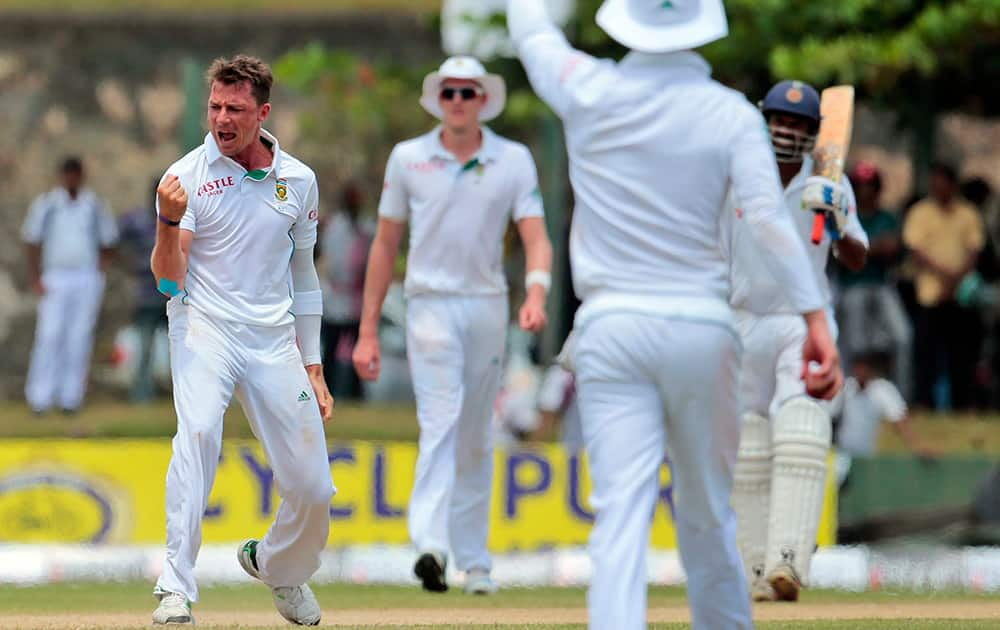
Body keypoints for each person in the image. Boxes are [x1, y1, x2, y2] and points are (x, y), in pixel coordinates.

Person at [508, 2, 843, 629]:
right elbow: (770, 222)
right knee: (709, 511)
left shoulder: (587, 86)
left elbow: (528, 23)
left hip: (612, 323)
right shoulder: (732, 114)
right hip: (702, 325)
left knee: (621, 515)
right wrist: (816, 318)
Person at [352, 55, 553, 596]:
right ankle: (431, 545)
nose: (459, 101)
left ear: (483, 99)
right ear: (437, 99)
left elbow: (535, 235)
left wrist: (536, 293)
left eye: (468, 92)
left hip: (486, 304)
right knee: (440, 415)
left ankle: (476, 560)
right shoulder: (409, 158)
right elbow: (386, 244)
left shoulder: (512, 159)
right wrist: (368, 330)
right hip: (429, 302)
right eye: (449, 92)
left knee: (475, 432)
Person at [149, 55, 335, 626]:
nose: (221, 120)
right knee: (199, 430)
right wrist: (166, 220)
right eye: (214, 107)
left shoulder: (299, 180)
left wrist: (315, 365)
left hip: (273, 336)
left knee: (314, 487)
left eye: (234, 109)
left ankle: (278, 566)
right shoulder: (188, 178)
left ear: (263, 113)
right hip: (203, 323)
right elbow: (166, 280)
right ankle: (175, 586)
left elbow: (303, 276)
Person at [724, 80, 869, 604]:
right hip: (738, 316)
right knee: (746, 442)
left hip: (801, 321)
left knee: (803, 427)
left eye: (798, 125)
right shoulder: (736, 175)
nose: (786, 131)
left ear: (813, 133)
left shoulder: (832, 182)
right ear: (764, 122)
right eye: (779, 121)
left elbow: (857, 257)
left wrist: (836, 220)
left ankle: (789, 559)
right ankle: (756, 568)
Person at [21, 156, 118, 415]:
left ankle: (70, 398)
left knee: (79, 338)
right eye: (68, 174)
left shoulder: (94, 205)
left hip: (85, 277)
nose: (72, 179)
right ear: (62, 176)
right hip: (55, 276)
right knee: (50, 335)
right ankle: (39, 398)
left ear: (82, 176)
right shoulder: (48, 205)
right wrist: (35, 277)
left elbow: (109, 242)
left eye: (76, 174)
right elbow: (32, 241)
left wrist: (99, 271)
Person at [904, 162, 985, 411]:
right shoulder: (920, 212)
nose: (938, 190)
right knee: (925, 355)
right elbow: (916, 251)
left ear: (952, 185)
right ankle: (923, 404)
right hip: (929, 294)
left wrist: (956, 279)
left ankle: (963, 406)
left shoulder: (968, 213)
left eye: (943, 184)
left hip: (961, 295)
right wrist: (945, 275)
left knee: (961, 356)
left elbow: (975, 250)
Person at [837, 161, 913, 401]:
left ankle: (899, 401)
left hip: (882, 286)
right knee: (855, 343)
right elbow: (843, 253)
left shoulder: (887, 218)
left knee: (902, 336)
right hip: (852, 286)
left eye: (870, 185)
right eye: (860, 186)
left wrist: (865, 249)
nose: (865, 191)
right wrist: (871, 248)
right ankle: (848, 400)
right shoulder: (845, 215)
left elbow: (894, 249)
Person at [833, 350, 937, 488]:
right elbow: (831, 416)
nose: (861, 371)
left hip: (866, 457)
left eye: (864, 367)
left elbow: (900, 421)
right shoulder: (845, 388)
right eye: (858, 367)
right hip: (840, 456)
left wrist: (917, 448)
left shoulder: (882, 390)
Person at [320, 182, 372, 401]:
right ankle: (329, 389)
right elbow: (332, 261)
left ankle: (355, 394)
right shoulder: (336, 226)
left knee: (357, 352)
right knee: (331, 351)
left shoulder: (366, 227)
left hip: (357, 301)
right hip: (336, 299)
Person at [118, 178, 169, 403]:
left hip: (172, 292)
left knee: (185, 345)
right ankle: (141, 393)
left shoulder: (176, 220)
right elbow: (114, 240)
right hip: (147, 293)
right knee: (145, 346)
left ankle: (182, 393)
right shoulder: (137, 221)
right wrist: (130, 265)